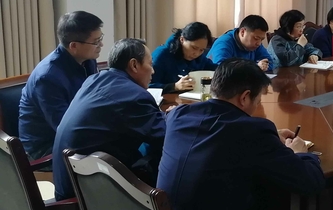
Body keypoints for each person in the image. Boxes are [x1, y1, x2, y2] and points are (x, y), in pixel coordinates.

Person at [157, 59, 325, 210]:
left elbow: (218, 133)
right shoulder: (253, 132)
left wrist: (271, 136)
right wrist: (300, 153)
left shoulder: (178, 115)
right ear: (245, 97)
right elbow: (311, 182)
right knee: (276, 190)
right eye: (258, 100)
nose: (257, 106)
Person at [52, 39, 167, 200]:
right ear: (134, 65)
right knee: (164, 157)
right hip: (90, 199)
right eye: (150, 64)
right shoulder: (133, 95)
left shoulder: (94, 80)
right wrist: (173, 117)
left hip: (68, 187)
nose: (153, 71)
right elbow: (165, 136)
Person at [19, 11, 104, 160]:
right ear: (74, 46)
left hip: (76, 131)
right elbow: (64, 128)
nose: (101, 45)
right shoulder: (47, 77)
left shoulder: (87, 59)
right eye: (96, 41)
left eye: (100, 38)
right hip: (46, 148)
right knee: (113, 152)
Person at [150, 22, 218, 92]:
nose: (196, 54)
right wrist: (174, 86)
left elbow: (217, 70)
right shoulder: (162, 55)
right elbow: (148, 87)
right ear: (182, 39)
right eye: (194, 48)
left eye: (202, 50)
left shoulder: (199, 58)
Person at [208, 15, 274, 71]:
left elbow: (270, 62)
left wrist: (261, 66)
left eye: (262, 39)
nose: (259, 43)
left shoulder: (256, 45)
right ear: (242, 32)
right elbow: (221, 69)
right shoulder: (224, 43)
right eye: (256, 38)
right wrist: (254, 68)